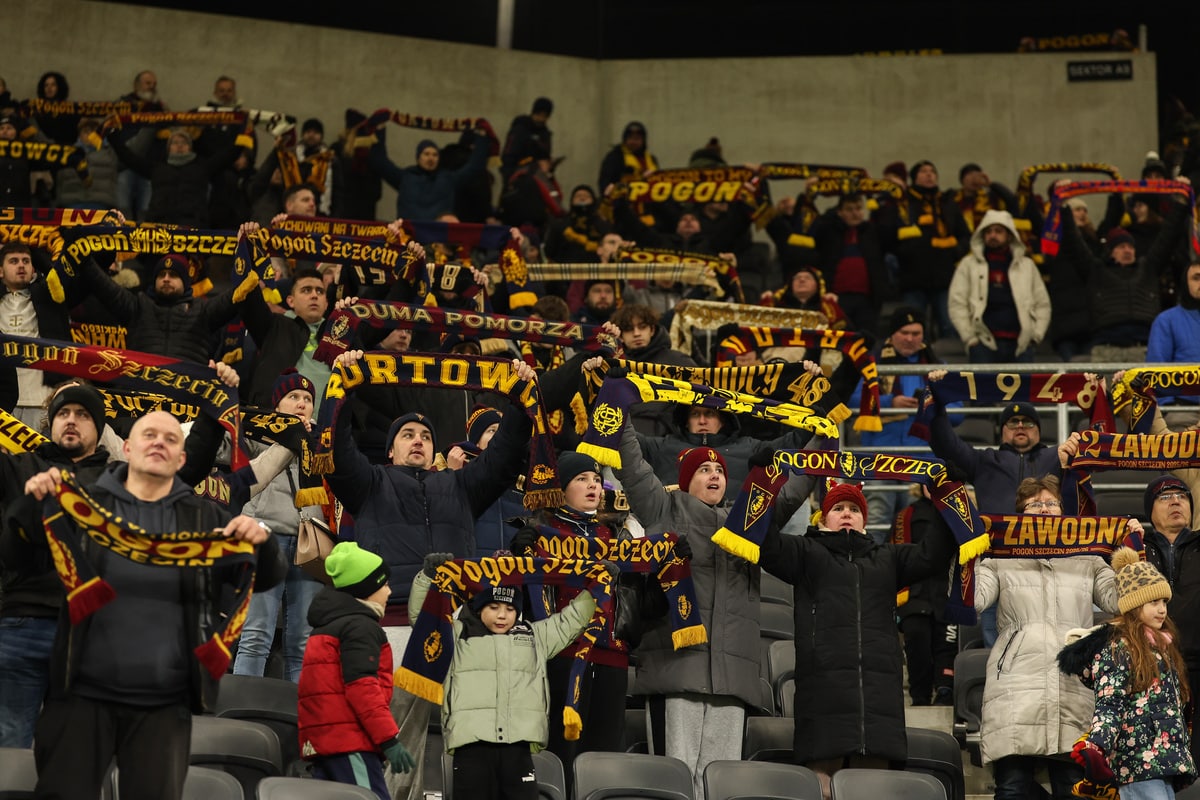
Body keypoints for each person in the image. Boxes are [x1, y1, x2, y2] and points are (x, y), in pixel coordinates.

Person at [20, 410, 286, 800]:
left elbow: (264, 578)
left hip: (164, 703)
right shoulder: (83, 500)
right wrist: (31, 504)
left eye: (171, 438)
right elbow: (18, 555)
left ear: (182, 459)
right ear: (127, 448)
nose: (159, 441)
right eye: (149, 435)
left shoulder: (205, 518)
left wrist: (264, 545)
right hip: (79, 694)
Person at [327, 351, 536, 800]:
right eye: (407, 435)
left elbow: (504, 455)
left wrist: (519, 402)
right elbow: (337, 451)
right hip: (395, 625)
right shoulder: (370, 483)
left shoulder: (460, 485)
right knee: (398, 738)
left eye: (425, 435)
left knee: (472, 735)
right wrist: (343, 390)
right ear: (390, 449)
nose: (417, 441)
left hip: (458, 625)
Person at [758, 481, 956, 800]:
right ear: (823, 518)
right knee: (823, 789)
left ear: (865, 520)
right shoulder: (805, 552)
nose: (847, 513)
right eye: (838, 508)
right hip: (824, 693)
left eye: (854, 509)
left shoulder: (887, 557)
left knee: (872, 789)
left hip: (879, 698)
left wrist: (944, 495)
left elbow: (934, 553)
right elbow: (762, 539)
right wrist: (774, 482)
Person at [613, 412, 771, 798]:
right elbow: (632, 465)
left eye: (719, 470)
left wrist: (819, 441)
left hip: (731, 681)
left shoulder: (745, 524)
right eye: (704, 469)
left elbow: (794, 490)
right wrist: (618, 407)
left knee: (721, 785)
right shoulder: (663, 509)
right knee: (676, 784)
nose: (715, 474)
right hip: (676, 675)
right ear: (685, 480)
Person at [509, 452, 659, 782]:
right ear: (561, 489)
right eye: (581, 479)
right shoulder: (540, 534)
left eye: (596, 480)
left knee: (605, 757)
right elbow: (516, 601)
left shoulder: (617, 537)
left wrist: (664, 576)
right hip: (562, 655)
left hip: (612, 655)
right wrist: (520, 554)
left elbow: (639, 602)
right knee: (560, 751)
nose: (593, 486)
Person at [414, 550, 604, 800]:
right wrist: (427, 577)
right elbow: (423, 620)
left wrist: (597, 585)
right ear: (478, 607)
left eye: (510, 608)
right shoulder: (455, 635)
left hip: (518, 748)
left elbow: (571, 620)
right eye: (493, 607)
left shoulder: (535, 636)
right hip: (470, 747)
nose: (502, 615)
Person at [976, 475, 1119, 800]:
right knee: (1012, 789)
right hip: (1015, 689)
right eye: (1034, 504)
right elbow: (974, 600)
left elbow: (1119, 601)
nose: (1044, 509)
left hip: (1074, 686)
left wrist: (1128, 553)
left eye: (1051, 503)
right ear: (1019, 515)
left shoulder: (1088, 557)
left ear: (1062, 511)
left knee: (1073, 789)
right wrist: (969, 553)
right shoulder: (999, 557)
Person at [0, 382, 112, 748]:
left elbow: (189, 467)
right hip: (22, 623)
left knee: (73, 754)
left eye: (83, 414)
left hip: (89, 632)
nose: (71, 420)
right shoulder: (21, 466)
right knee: (9, 750)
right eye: (63, 413)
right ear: (50, 423)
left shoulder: (119, 480)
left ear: (99, 427)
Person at [1059, 548, 1196, 798]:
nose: (1162, 610)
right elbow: (1109, 703)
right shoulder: (1119, 649)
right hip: (1136, 764)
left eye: (1164, 602)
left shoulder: (1162, 647)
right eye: (1153, 602)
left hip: (1162, 762)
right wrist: (1097, 746)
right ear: (1133, 606)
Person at [298, 542, 415, 800]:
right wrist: (389, 740)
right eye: (384, 584)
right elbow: (363, 688)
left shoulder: (326, 624)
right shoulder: (360, 627)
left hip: (325, 743)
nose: (389, 591)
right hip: (350, 743)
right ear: (367, 590)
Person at [232, 369, 324, 682]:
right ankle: (244, 708)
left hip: (309, 545)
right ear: (277, 405)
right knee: (256, 633)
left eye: (307, 398)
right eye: (293, 396)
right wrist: (287, 438)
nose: (301, 403)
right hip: (263, 538)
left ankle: (300, 710)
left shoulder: (321, 443)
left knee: (303, 641)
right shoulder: (256, 436)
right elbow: (238, 472)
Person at [850, 306, 951, 539]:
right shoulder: (870, 363)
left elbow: (958, 413)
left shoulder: (937, 365)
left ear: (923, 335)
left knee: (916, 522)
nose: (910, 338)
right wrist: (889, 402)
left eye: (916, 333)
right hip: (878, 458)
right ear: (892, 334)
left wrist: (927, 406)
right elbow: (851, 401)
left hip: (921, 461)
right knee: (875, 520)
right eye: (904, 332)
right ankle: (872, 562)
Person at [79, 251, 240, 366]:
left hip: (187, 397)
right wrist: (79, 250)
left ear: (186, 282)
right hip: (139, 394)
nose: (166, 279)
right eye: (161, 275)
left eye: (173, 275)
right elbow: (100, 282)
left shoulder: (203, 310)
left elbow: (241, 293)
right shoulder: (138, 306)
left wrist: (251, 255)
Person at [1142, 475, 1200, 768]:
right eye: (1165, 497)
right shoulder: (1135, 549)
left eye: (1182, 496)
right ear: (1149, 510)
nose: (1176, 501)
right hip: (1149, 669)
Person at [948, 208, 1051, 364]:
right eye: (988, 232)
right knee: (983, 383)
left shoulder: (1027, 266)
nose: (993, 235)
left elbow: (1042, 303)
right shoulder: (968, 265)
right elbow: (957, 303)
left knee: (1023, 382)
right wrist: (970, 338)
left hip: (1021, 345)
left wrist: (1035, 336)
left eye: (998, 231)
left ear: (1009, 235)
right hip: (982, 344)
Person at [0, 242, 76, 428]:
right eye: (14, 261)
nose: (21, 265)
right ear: (0, 271)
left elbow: (60, 274)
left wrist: (35, 250)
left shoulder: (50, 297)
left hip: (42, 399)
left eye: (26, 261)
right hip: (3, 401)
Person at [893, 160, 970, 341]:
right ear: (914, 178)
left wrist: (954, 252)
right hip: (913, 276)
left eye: (932, 171)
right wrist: (908, 252)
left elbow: (965, 235)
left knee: (949, 325)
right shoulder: (905, 203)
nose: (929, 175)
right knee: (914, 328)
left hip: (944, 275)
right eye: (923, 171)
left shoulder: (947, 203)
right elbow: (891, 235)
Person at [369, 125, 490, 221]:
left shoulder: (449, 179)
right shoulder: (405, 177)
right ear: (418, 157)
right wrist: (380, 129)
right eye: (426, 154)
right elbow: (380, 162)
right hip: (408, 237)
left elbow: (474, 167)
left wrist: (482, 137)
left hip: (438, 238)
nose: (431, 158)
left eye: (435, 155)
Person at [500, 96, 554, 183]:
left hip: (538, 177)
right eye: (539, 115)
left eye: (544, 116)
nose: (541, 119)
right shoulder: (521, 129)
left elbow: (545, 154)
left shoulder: (545, 133)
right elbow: (509, 156)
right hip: (519, 176)